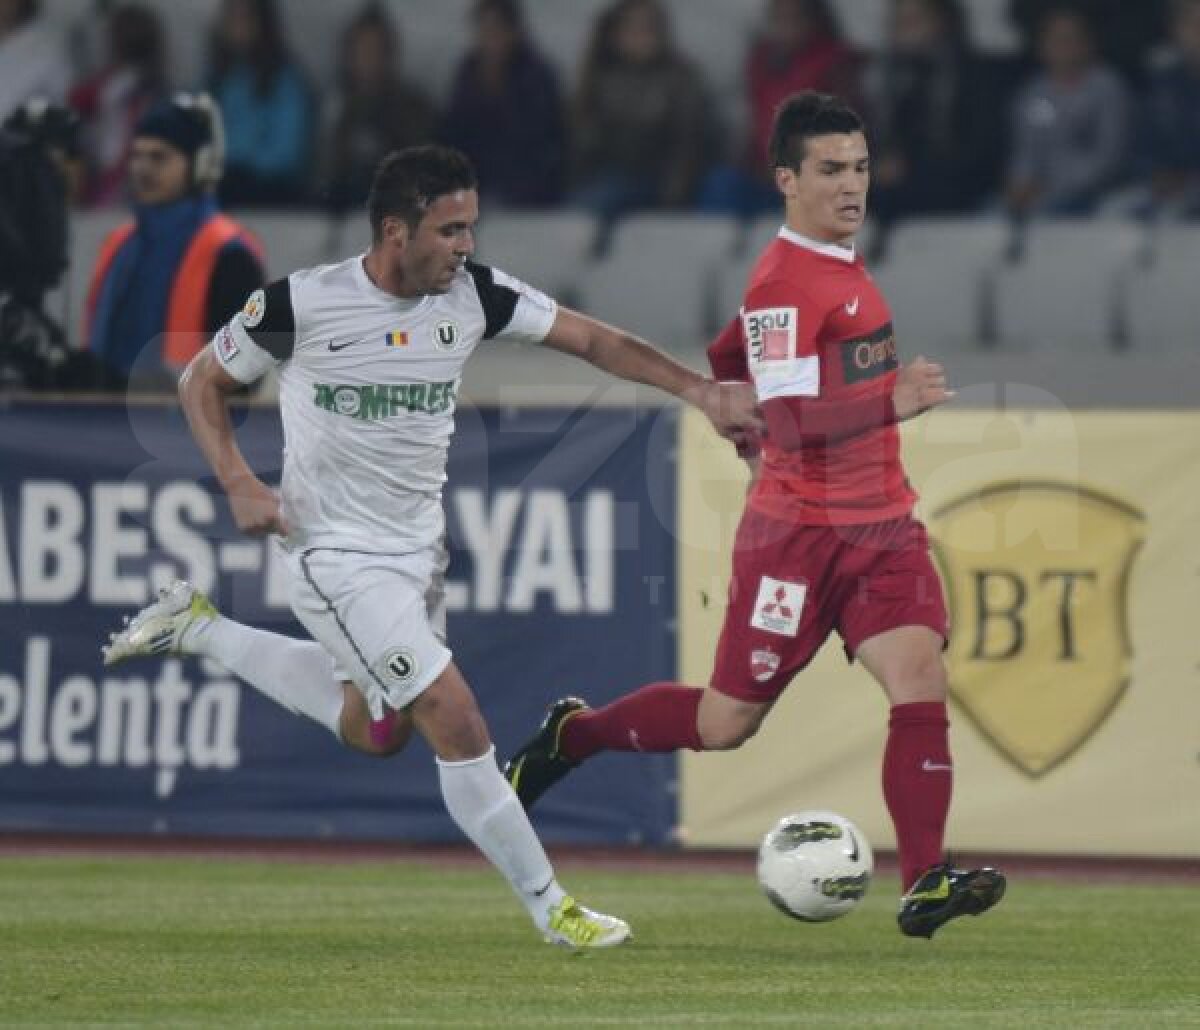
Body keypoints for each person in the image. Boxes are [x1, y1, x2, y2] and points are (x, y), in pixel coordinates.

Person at [100, 144, 765, 948]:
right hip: (329, 551)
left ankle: (198, 626)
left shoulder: (474, 295)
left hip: (416, 551)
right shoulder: (301, 304)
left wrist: (698, 390)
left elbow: (591, 343)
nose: (466, 246)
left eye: (470, 228)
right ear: (394, 231)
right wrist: (240, 481)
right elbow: (199, 380)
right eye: (449, 229)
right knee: (453, 713)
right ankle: (552, 908)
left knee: (377, 730)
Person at [503, 92, 1007, 941]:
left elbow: (735, 361)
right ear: (786, 180)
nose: (852, 186)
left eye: (860, 167)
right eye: (830, 170)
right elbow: (784, 413)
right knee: (725, 723)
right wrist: (890, 400)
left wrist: (740, 432)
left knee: (919, 678)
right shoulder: (786, 280)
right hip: (798, 538)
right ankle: (575, 736)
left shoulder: (839, 266)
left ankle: (924, 882)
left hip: (884, 527)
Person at [83, 92, 265, 390]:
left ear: (199, 164)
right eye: (137, 155)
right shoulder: (118, 244)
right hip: (104, 423)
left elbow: (246, 373)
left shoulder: (229, 253)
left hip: (184, 429)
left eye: (159, 157)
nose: (142, 168)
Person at [700, 0, 862, 217]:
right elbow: (756, 124)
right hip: (763, 173)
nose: (787, 27)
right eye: (779, 19)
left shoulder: (835, 64)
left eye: (796, 19)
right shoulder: (761, 62)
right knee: (721, 184)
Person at [866, 0, 1008, 227]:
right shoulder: (885, 80)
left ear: (943, 23)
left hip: (958, 189)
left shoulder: (975, 76)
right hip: (895, 190)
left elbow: (982, 151)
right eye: (899, 22)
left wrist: (912, 167)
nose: (904, 29)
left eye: (914, 21)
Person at [568, 0, 712, 222]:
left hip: (657, 182)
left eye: (648, 28)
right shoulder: (599, 79)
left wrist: (672, 197)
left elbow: (688, 143)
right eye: (632, 28)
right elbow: (582, 141)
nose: (641, 36)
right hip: (608, 178)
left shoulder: (680, 79)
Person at [1004, 6, 1130, 218]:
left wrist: (1053, 185)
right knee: (991, 218)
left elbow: (1109, 157)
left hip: (1093, 192)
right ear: (1042, 46)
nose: (1063, 47)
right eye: (1055, 40)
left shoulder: (1107, 89)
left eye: (1071, 39)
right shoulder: (1036, 94)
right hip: (1040, 193)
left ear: (1088, 44)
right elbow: (1028, 146)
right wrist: (1021, 181)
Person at [441, 0, 567, 208]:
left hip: (527, 186)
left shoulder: (537, 77)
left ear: (514, 31)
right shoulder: (468, 73)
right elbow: (455, 133)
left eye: (497, 29)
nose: (490, 38)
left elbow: (539, 143)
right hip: (476, 182)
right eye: (484, 28)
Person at [318, 3, 434, 213]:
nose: (368, 58)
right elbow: (325, 172)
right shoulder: (338, 106)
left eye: (375, 49)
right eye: (361, 49)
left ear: (389, 54)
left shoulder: (413, 106)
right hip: (344, 210)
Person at [206, 0, 313, 207]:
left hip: (268, 186)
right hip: (223, 181)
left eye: (245, 18)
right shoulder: (216, 79)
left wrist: (240, 161)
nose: (238, 27)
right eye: (232, 18)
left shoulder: (285, 81)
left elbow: (287, 152)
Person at [69, 3, 167, 208]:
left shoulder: (153, 92)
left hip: (127, 181)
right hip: (100, 177)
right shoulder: (104, 86)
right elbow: (76, 104)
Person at [1143, 0, 1200, 218]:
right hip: (1166, 188)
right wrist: (1157, 173)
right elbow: (1143, 141)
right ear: (1178, 31)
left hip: (1192, 188)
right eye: (1193, 25)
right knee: (1116, 213)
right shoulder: (1164, 83)